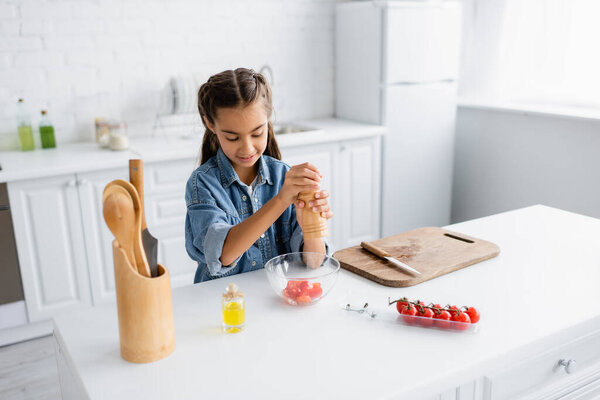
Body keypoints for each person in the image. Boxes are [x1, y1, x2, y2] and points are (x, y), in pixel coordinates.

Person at [185, 68, 333, 283]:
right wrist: (281, 200)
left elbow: (315, 261)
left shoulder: (283, 175)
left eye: (257, 133)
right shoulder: (203, 183)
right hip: (225, 302)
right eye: (232, 137)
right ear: (210, 124)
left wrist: (311, 223)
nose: (247, 148)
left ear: (268, 117)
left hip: (274, 299)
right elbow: (223, 254)